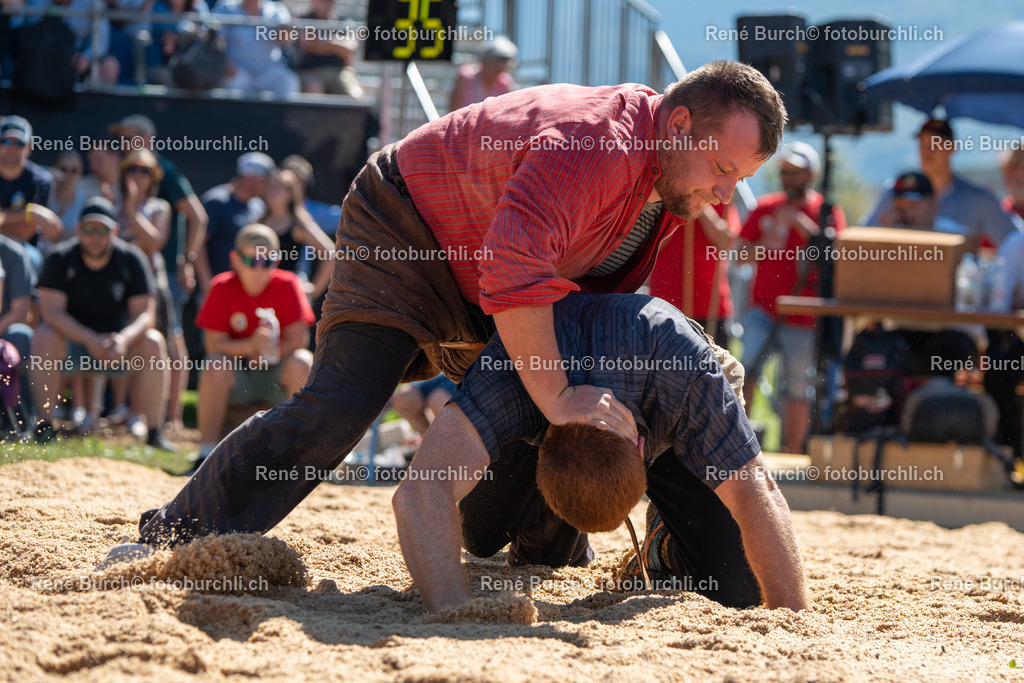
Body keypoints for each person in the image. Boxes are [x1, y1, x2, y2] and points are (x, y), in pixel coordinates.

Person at [121, 60, 786, 551]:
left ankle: (544, 541)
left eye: (739, 181)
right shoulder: (597, 143)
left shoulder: (669, 178)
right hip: (406, 233)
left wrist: (683, 359)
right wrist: (557, 394)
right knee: (341, 408)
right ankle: (171, 535)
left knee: (575, 390)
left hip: (486, 276)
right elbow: (514, 263)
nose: (726, 195)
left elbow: (582, 302)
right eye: (723, 170)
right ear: (677, 124)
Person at [392, 293, 809, 611]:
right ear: (542, 458)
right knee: (480, 537)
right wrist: (455, 611)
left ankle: (661, 539)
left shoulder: (685, 370)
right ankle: (552, 537)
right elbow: (420, 491)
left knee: (737, 589)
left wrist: (794, 618)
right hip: (546, 393)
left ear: (642, 451)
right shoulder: (512, 373)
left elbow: (760, 492)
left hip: (664, 398)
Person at [29, 197, 174, 449]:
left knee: (153, 341)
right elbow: (51, 313)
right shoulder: (59, 258)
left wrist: (122, 339)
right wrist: (89, 339)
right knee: (44, 335)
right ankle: (44, 427)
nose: (95, 236)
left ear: (114, 230)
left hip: (117, 347)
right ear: (78, 229)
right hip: (73, 345)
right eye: (88, 229)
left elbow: (145, 315)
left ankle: (154, 432)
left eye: (102, 229)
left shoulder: (132, 258)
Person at [735, 141, 846, 454]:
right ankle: (737, 446)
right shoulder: (766, 207)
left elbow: (836, 258)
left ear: (811, 175)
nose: (789, 178)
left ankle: (793, 452)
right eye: (785, 171)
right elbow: (738, 254)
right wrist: (765, 245)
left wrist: (805, 227)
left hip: (804, 314)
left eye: (795, 172)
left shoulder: (826, 213)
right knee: (746, 371)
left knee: (798, 386)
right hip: (763, 311)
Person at [193, 224, 314, 465]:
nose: (259, 268)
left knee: (302, 361)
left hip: (276, 377)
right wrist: (251, 347)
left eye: (266, 261)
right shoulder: (221, 286)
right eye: (251, 260)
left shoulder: (289, 284)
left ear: (277, 260)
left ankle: (302, 456)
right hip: (240, 379)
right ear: (235, 259)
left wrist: (269, 353)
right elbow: (212, 344)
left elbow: (299, 339)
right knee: (214, 364)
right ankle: (205, 454)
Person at [862, 118, 1022, 245]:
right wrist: (885, 232)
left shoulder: (979, 200)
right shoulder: (894, 193)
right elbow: (859, 243)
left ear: (952, 148)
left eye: (935, 144)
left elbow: (1015, 243)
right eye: (923, 144)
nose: (927, 151)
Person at [648, 202, 740, 344]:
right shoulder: (664, 200)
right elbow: (652, 243)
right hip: (665, 306)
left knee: (715, 364)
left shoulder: (722, 199)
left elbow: (726, 241)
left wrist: (700, 203)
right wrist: (680, 205)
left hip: (710, 308)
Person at [198, 151, 272, 288]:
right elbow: (199, 245)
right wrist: (207, 283)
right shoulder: (215, 202)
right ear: (252, 179)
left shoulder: (259, 207)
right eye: (265, 180)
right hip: (218, 286)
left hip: (247, 289)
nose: (267, 185)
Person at [259, 168, 335, 300]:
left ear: (290, 194)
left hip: (290, 296)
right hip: (262, 292)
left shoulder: (299, 225)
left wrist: (314, 290)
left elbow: (330, 254)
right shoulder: (258, 222)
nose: (271, 193)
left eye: (277, 188)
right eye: (269, 187)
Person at [0, 115, 63, 264]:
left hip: (23, 248)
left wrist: (6, 219)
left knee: (30, 259)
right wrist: (29, 213)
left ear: (28, 147)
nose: (12, 148)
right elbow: (29, 220)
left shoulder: (41, 181)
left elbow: (27, 233)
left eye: (19, 143)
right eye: (6, 141)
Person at [213, 0, 300, 97]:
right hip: (238, 69)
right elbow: (217, 39)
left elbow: (286, 39)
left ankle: (285, 113)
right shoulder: (227, 7)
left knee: (288, 81)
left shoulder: (277, 10)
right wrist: (226, 62)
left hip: (269, 69)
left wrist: (286, 32)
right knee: (231, 83)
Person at [295, 0, 363, 98]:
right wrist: (337, 44)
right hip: (310, 71)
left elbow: (350, 48)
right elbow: (308, 43)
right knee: (313, 92)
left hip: (339, 72)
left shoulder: (343, 21)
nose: (325, 3)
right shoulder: (303, 18)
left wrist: (321, 42)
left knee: (355, 96)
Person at [449, 36, 517, 111]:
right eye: (497, 60)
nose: (499, 65)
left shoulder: (505, 83)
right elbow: (454, 111)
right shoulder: (466, 77)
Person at [391, 374, 456, 437]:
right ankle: (430, 439)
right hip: (435, 374)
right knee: (403, 400)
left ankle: (456, 441)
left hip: (458, 372)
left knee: (438, 400)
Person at [46, 150, 87, 245]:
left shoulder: (85, 202)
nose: (68, 175)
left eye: (74, 170)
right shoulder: (45, 198)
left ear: (80, 173)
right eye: (63, 169)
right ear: (55, 169)